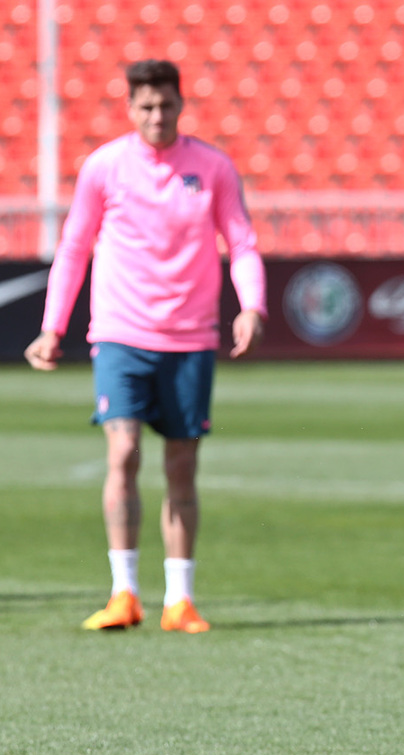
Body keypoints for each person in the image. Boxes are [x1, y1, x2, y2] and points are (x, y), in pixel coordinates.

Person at [24, 59, 266, 634]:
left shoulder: (211, 167)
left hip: (189, 338)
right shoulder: (104, 168)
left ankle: (178, 598)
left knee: (182, 464)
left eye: (166, 105)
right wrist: (53, 326)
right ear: (131, 109)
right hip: (119, 334)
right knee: (123, 452)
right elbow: (74, 248)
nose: (157, 116)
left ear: (180, 105)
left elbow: (242, 241)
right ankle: (123, 591)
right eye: (146, 107)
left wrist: (251, 306)